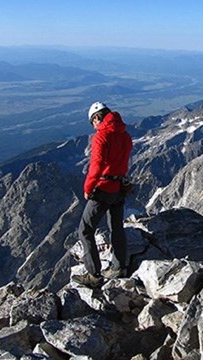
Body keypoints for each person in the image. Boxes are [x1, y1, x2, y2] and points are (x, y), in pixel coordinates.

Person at [73, 101, 133, 287]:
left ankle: (94, 275)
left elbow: (96, 165)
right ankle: (120, 267)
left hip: (103, 188)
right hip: (119, 187)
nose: (94, 126)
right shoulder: (125, 135)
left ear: (97, 117)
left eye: (93, 122)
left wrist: (88, 188)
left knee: (85, 230)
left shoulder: (101, 137)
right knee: (116, 227)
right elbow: (123, 161)